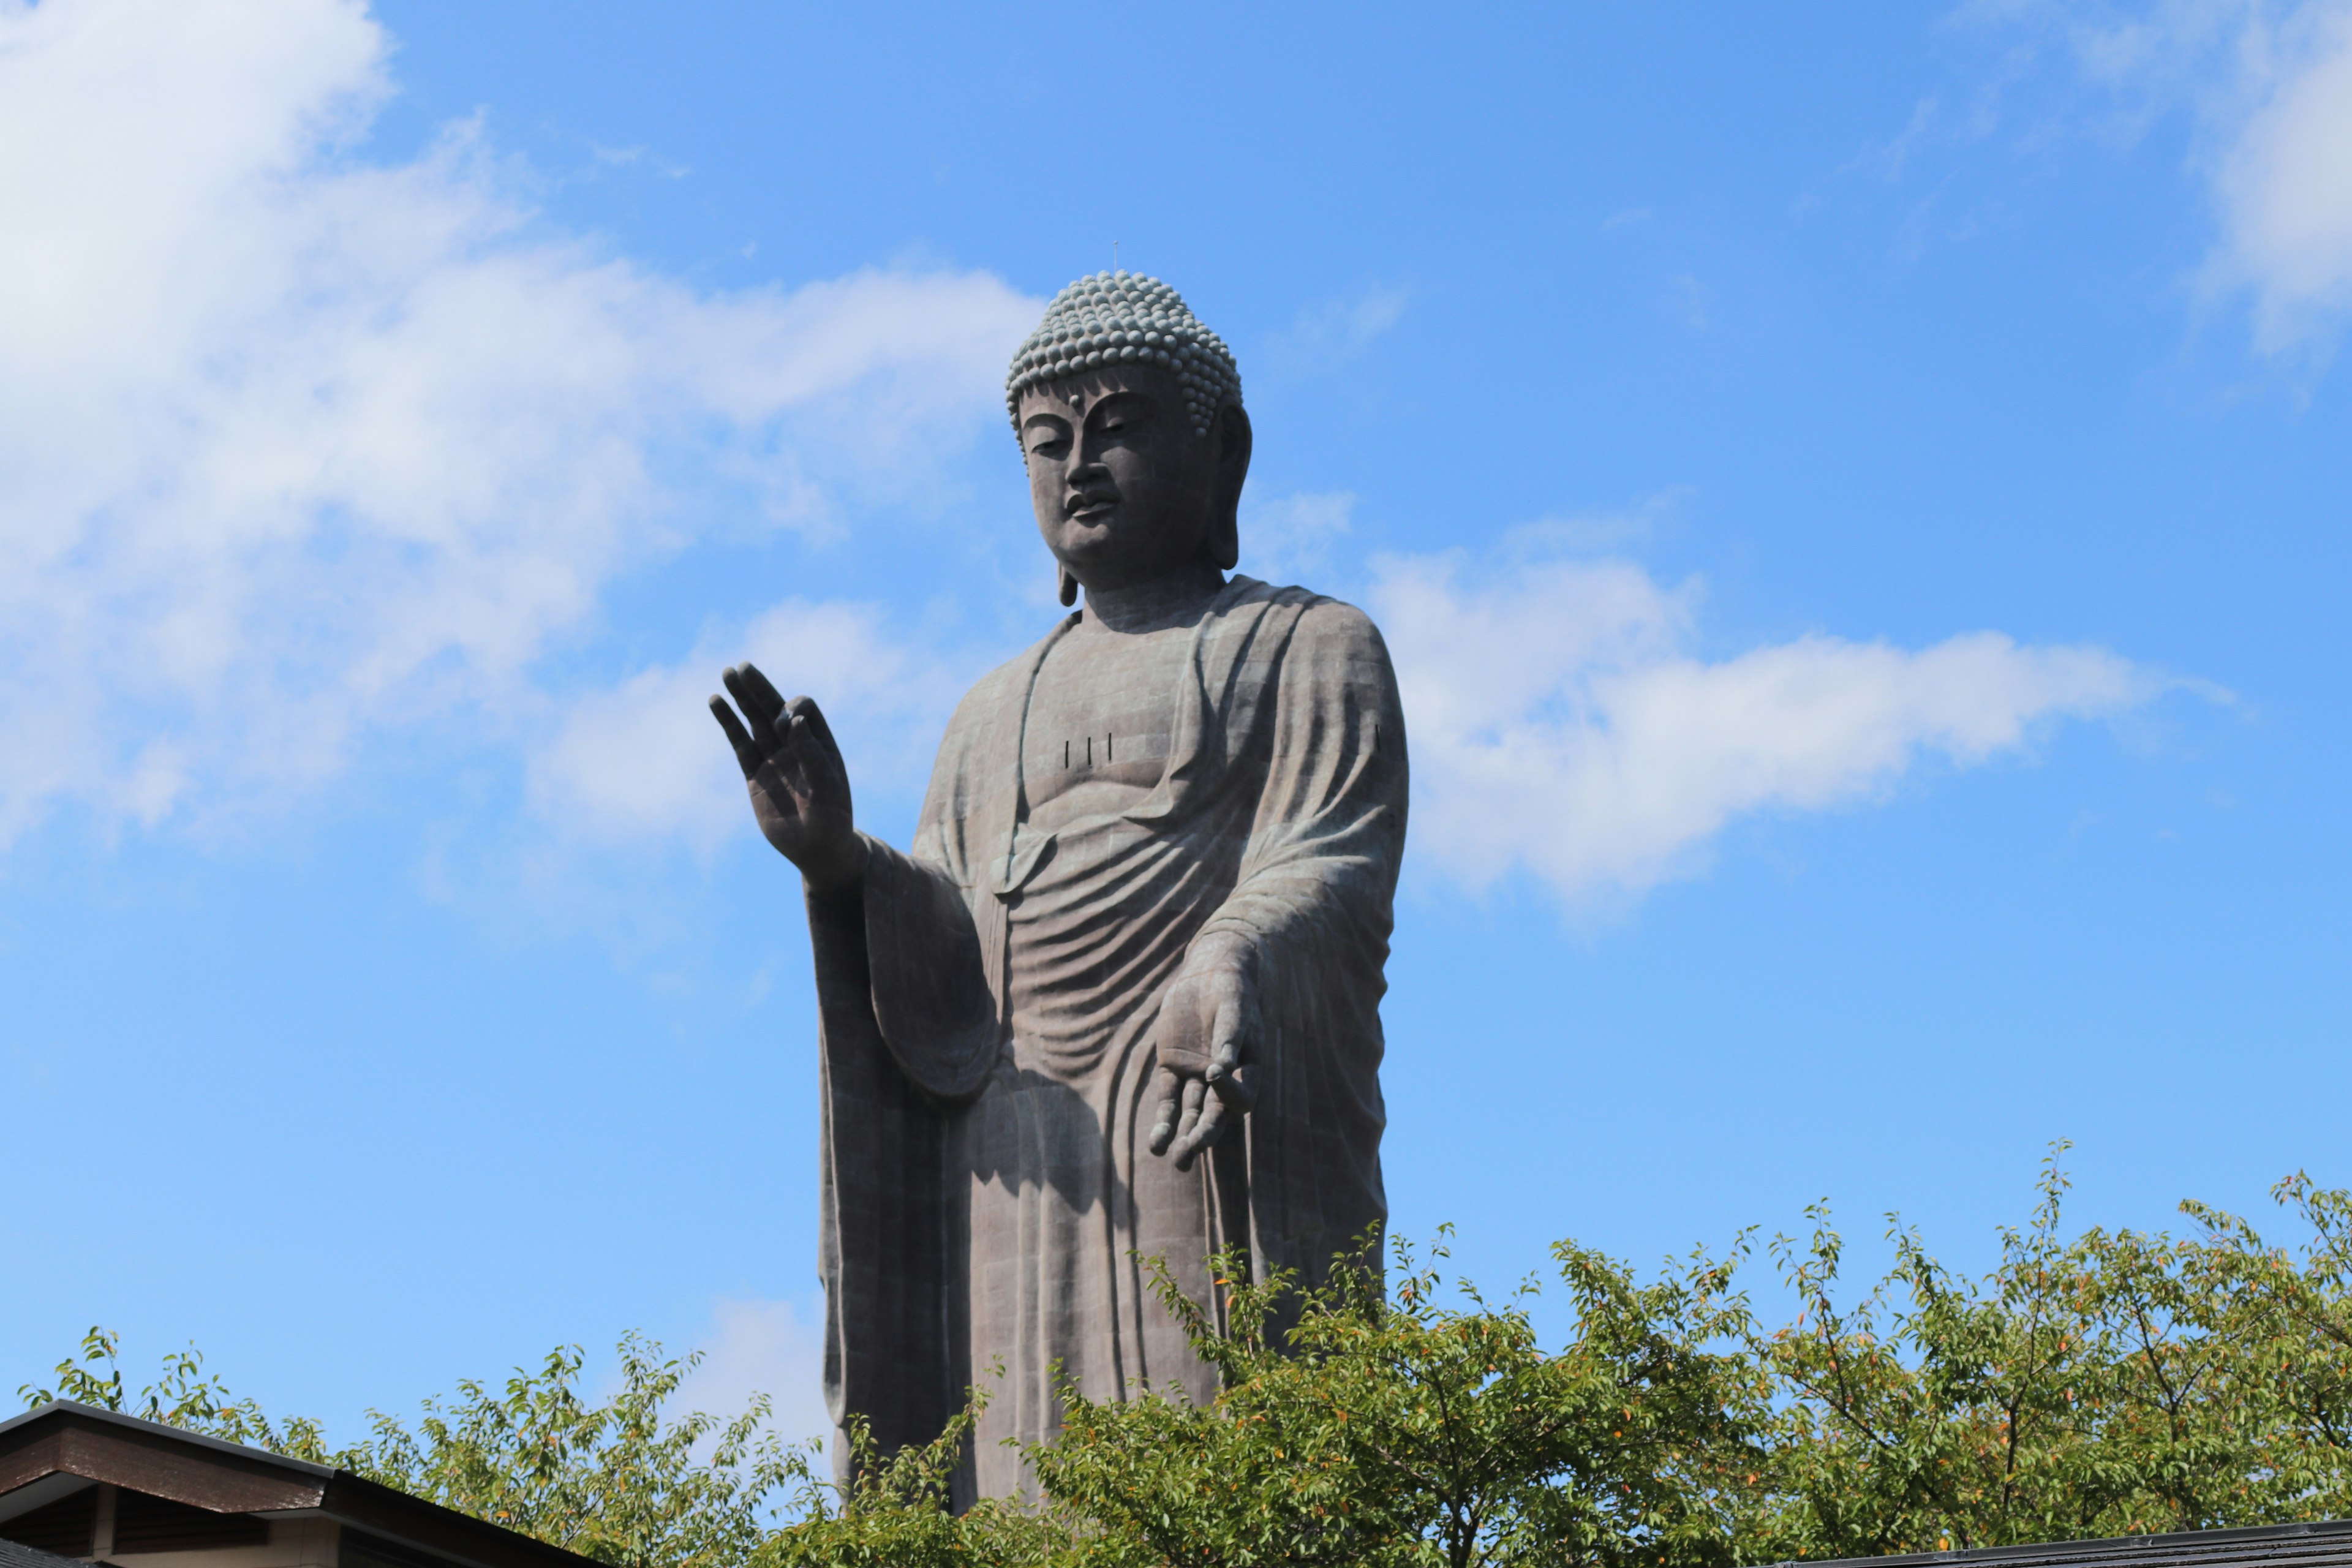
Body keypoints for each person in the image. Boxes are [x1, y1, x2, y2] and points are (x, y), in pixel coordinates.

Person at [709, 271, 1409, 1502]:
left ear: (1223, 453)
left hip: (1194, 1109)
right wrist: (842, 863)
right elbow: (950, 931)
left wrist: (1227, 949)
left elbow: (1330, 853)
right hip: (1013, 1141)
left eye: (1122, 425)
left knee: (1206, 1435)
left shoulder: (1308, 645)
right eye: (1048, 440)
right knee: (1011, 1455)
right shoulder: (987, 713)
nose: (1080, 464)